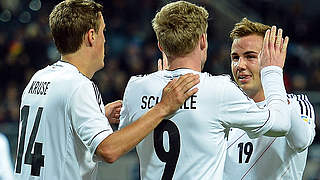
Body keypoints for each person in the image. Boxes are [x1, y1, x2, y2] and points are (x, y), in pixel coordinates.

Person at [13, 0, 200, 179]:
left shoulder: (39, 78)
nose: (105, 39)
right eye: (103, 32)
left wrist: (99, 115)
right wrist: (163, 107)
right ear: (91, 36)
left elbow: (55, 133)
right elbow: (108, 150)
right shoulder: (79, 86)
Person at [119, 1, 291, 179]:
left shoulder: (135, 88)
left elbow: (123, 142)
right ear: (203, 40)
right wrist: (273, 70)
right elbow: (280, 124)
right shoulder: (219, 90)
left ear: (161, 46)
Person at [223, 18, 316, 180]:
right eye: (235, 57)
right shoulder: (225, 108)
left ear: (271, 58)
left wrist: (272, 72)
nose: (240, 65)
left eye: (250, 56)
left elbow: (301, 141)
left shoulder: (297, 103)